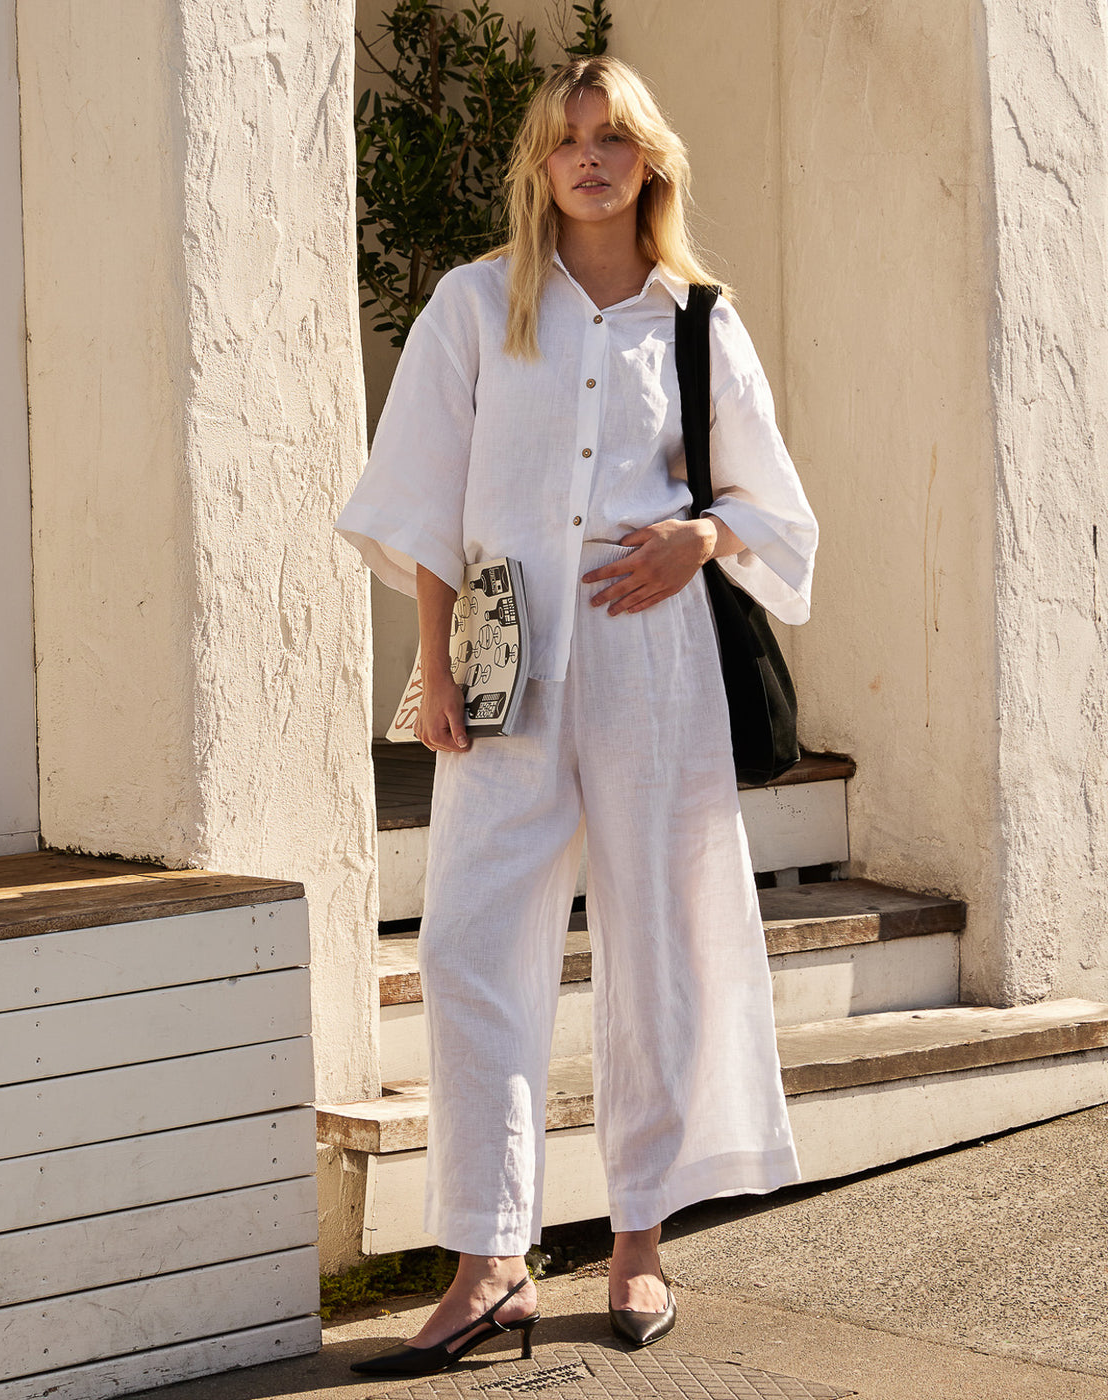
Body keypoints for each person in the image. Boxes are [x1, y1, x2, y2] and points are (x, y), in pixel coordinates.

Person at [335, 54, 817, 1374]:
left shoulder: (699, 321)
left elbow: (779, 510)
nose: (589, 158)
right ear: (539, 164)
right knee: (469, 946)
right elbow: (429, 498)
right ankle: (491, 1261)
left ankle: (639, 1237)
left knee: (661, 948)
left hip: (658, 666)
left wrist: (699, 539)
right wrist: (434, 665)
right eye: (565, 140)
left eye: (612, 137)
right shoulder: (476, 305)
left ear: (649, 159)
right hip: (505, 660)